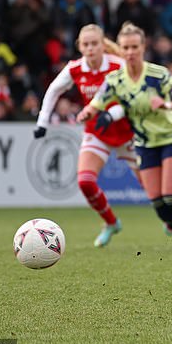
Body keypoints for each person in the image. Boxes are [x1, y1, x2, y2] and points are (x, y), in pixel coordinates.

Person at [77, 22, 172, 249]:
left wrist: (166, 104)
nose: (130, 52)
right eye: (126, 48)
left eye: (134, 47)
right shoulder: (115, 79)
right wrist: (88, 112)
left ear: (143, 48)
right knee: (157, 201)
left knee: (170, 195)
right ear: (121, 50)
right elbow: (97, 103)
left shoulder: (157, 74)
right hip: (144, 142)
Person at [34, 24, 140, 248]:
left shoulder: (117, 65)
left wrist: (112, 114)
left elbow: (132, 98)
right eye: (86, 44)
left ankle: (171, 226)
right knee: (85, 182)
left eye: (94, 44)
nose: (90, 48)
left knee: (152, 187)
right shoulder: (75, 68)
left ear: (102, 45)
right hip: (97, 132)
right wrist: (42, 121)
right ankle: (111, 223)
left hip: (126, 131)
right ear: (80, 47)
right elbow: (53, 90)